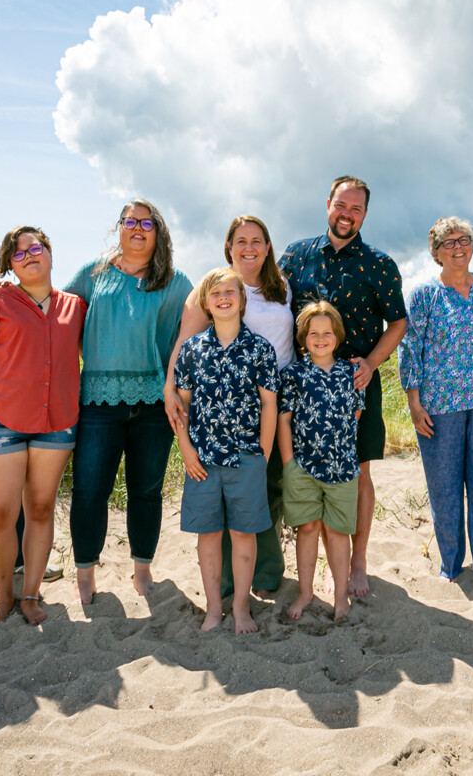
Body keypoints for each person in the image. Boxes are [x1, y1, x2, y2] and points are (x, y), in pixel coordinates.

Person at [279, 176, 406, 598]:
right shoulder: (296, 255)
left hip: (357, 381)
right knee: (299, 468)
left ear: (364, 214)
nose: (347, 214)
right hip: (304, 386)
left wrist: (371, 362)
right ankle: (304, 574)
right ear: (327, 205)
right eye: (341, 205)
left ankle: (357, 562)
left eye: (356, 209)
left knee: (359, 471)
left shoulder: (379, 264)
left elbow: (398, 322)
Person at [64, 200, 193, 605]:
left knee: (146, 491)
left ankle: (142, 570)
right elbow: (58, 319)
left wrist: (175, 386)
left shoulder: (174, 281)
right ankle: (85, 573)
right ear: (119, 227)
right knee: (89, 490)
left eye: (147, 222)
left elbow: (189, 338)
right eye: (130, 221)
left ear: (159, 231)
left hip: (155, 404)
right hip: (97, 403)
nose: (138, 228)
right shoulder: (93, 273)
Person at [0, 227, 86, 624]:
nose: (29, 255)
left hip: (57, 422)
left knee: (41, 507)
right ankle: (3, 598)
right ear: (8, 264)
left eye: (37, 247)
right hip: (1, 420)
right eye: (19, 253)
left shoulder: (75, 306)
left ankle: (31, 595)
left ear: (50, 253)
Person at [166, 216, 294, 599]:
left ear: (268, 247)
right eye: (241, 240)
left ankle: (266, 573)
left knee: (267, 494)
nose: (249, 247)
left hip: (271, 401)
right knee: (219, 500)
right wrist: (169, 383)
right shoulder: (212, 285)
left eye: (257, 240)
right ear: (229, 247)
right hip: (217, 410)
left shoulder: (282, 286)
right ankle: (224, 583)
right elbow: (186, 341)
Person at [398, 217, 473, 584]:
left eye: (464, 240)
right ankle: (451, 564)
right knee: (445, 488)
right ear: (436, 252)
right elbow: (410, 349)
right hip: (439, 405)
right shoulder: (425, 294)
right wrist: (414, 403)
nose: (458, 247)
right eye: (448, 242)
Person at [173, 268, 279, 633]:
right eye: (215, 292)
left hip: (246, 456)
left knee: (242, 534)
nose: (223, 297)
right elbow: (182, 407)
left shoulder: (260, 349)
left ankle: (240, 608)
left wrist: (263, 454)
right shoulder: (192, 349)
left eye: (230, 291)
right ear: (206, 302)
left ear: (242, 299)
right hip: (201, 460)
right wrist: (185, 449)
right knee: (209, 535)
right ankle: (214, 608)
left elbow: (269, 405)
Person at [278, 302, 363, 620]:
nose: (321, 338)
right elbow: (284, 420)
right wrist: (289, 464)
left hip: (343, 468)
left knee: (338, 532)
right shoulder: (293, 374)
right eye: (314, 333)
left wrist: (340, 448)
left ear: (337, 336)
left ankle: (341, 598)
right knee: (308, 529)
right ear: (303, 337)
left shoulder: (352, 372)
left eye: (327, 333)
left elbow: (354, 415)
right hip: (303, 467)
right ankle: (305, 593)